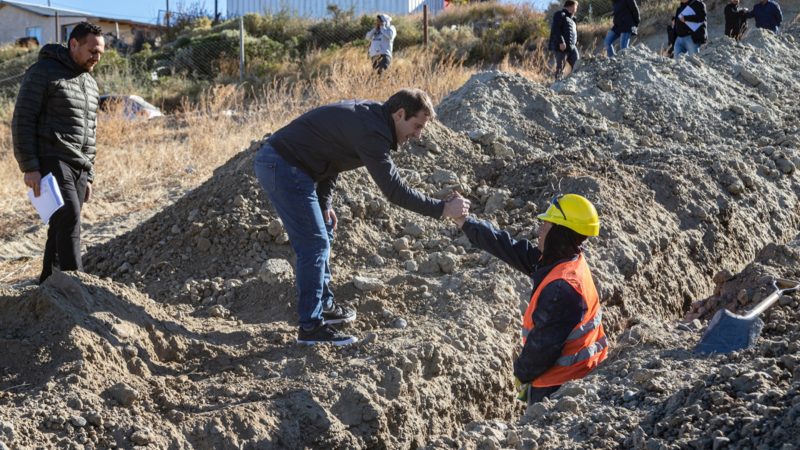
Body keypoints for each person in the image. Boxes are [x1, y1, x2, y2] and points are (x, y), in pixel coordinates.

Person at [253, 89, 469, 346]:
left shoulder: (373, 120)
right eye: (417, 125)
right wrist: (443, 209)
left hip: (293, 166)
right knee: (314, 243)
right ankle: (310, 328)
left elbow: (332, 155)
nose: (418, 134)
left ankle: (323, 305)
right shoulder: (372, 132)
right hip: (283, 166)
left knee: (325, 227)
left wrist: (324, 203)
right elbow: (395, 191)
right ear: (400, 114)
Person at [450, 194, 608, 404]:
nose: (540, 229)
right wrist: (465, 222)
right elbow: (507, 247)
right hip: (578, 375)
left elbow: (542, 349)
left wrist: (521, 376)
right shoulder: (565, 261)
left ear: (559, 233)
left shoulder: (562, 289)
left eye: (546, 224)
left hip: (559, 389)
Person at [11, 22, 105, 284]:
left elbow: (90, 133)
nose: (96, 57)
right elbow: (23, 119)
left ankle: (48, 286)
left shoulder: (90, 83)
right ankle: (76, 285)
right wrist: (30, 166)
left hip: (79, 166)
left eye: (100, 53)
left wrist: (90, 174)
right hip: (52, 157)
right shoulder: (43, 72)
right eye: (92, 50)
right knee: (69, 217)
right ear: (73, 44)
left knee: (60, 226)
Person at [549, 0, 580, 81]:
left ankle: (574, 83)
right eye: (576, 6)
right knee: (560, 67)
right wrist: (561, 41)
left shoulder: (573, 19)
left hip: (572, 46)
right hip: (561, 46)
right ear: (571, 6)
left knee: (577, 64)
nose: (576, 9)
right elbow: (556, 29)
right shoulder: (560, 14)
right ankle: (556, 86)